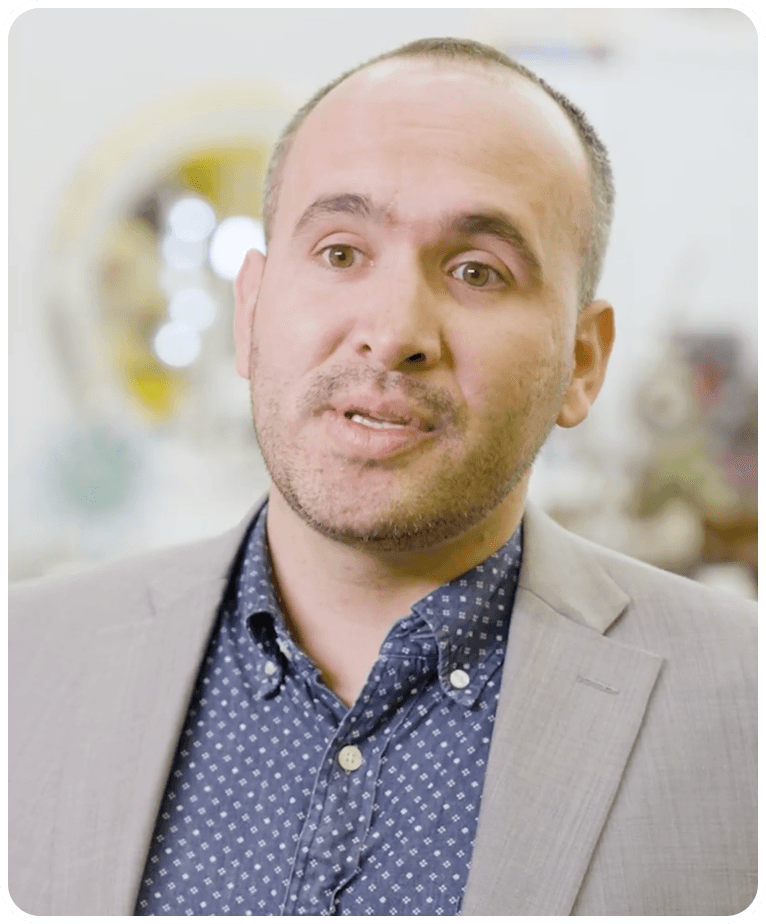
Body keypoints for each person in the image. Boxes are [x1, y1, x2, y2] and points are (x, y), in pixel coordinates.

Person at [8, 37, 756, 917]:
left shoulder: (748, 703)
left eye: (479, 270)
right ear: (250, 311)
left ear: (583, 363)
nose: (394, 328)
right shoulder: (24, 665)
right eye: (338, 252)